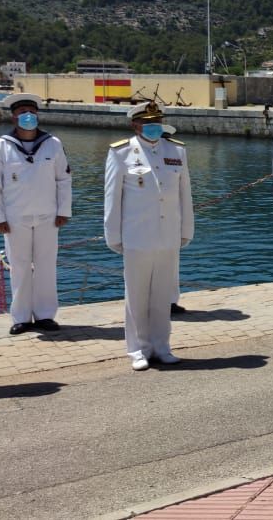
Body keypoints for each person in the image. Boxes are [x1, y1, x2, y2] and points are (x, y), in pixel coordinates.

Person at [104, 102, 193, 370]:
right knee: (137, 294)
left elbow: (184, 195)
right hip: (137, 235)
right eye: (148, 123)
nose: (153, 127)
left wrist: (186, 230)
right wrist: (113, 235)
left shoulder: (176, 150)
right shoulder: (121, 153)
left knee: (163, 295)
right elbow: (112, 197)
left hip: (168, 235)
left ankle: (162, 346)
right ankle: (138, 349)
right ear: (136, 125)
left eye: (157, 122)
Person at [0, 94, 71, 335]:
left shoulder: (53, 143)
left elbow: (63, 179)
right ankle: (21, 317)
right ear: (13, 116)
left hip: (48, 216)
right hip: (14, 219)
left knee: (46, 266)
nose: (28, 116)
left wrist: (64, 210)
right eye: (22, 111)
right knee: (19, 267)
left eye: (31, 111)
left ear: (37, 115)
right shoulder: (0, 146)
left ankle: (45, 315)